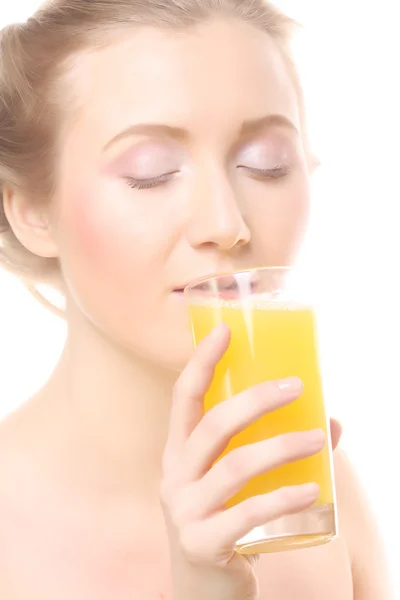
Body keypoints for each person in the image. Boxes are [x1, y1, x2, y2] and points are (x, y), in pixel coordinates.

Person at [0, 1, 391, 598]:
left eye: (266, 164)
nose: (226, 223)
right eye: (152, 171)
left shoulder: (314, 494)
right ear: (29, 211)